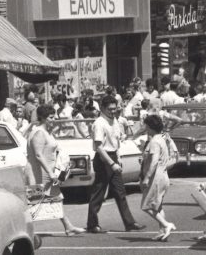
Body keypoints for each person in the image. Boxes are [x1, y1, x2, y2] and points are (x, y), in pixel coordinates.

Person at [86, 96, 144, 234]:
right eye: (110, 109)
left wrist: (118, 158)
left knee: (120, 192)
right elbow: (99, 147)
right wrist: (112, 164)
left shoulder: (115, 121)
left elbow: (116, 142)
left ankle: (129, 223)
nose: (113, 111)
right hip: (103, 158)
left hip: (113, 156)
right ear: (102, 108)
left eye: (115, 109)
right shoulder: (99, 123)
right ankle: (92, 224)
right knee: (99, 193)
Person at [26, 103, 85, 236]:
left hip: (46, 173)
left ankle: (68, 227)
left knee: (56, 198)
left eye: (54, 117)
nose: (54, 119)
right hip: (38, 173)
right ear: (43, 118)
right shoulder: (39, 133)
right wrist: (51, 173)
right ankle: (25, 232)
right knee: (34, 203)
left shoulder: (46, 132)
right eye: (51, 117)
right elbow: (38, 155)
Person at [139, 114, 176, 241]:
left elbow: (154, 161)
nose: (144, 127)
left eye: (146, 125)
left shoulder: (154, 141)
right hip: (163, 175)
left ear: (149, 126)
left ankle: (166, 225)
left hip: (156, 176)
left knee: (146, 206)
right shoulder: (161, 139)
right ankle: (162, 231)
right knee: (158, 206)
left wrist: (146, 177)